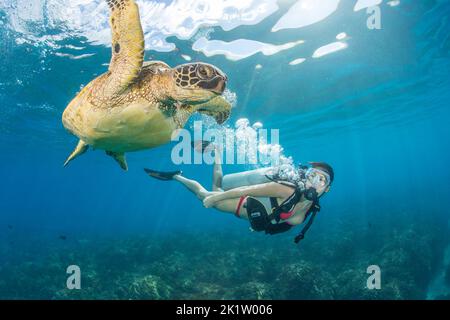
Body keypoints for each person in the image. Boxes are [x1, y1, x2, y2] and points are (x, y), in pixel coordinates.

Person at [145, 143, 334, 244]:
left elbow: (287, 222)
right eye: (312, 176)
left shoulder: (312, 208)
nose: (315, 182)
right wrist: (215, 199)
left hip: (252, 215)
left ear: (327, 189)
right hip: (243, 204)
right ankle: (177, 176)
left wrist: (264, 226)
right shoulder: (287, 189)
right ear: (305, 177)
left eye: (322, 180)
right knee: (205, 194)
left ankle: (216, 153)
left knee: (217, 184)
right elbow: (246, 190)